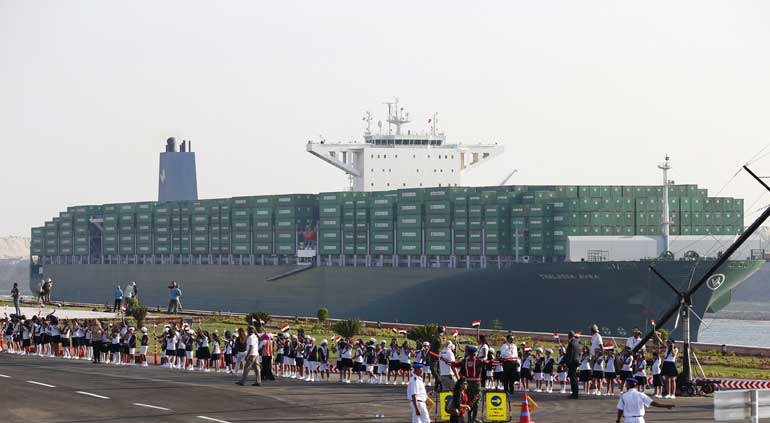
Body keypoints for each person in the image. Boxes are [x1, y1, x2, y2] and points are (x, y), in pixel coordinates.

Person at [564, 330, 581, 399]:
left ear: (569, 335)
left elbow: (570, 354)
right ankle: (575, 393)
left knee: (573, 379)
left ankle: (574, 394)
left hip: (572, 363)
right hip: (576, 362)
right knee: (574, 378)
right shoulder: (576, 342)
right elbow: (578, 353)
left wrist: (567, 364)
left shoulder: (571, 343)